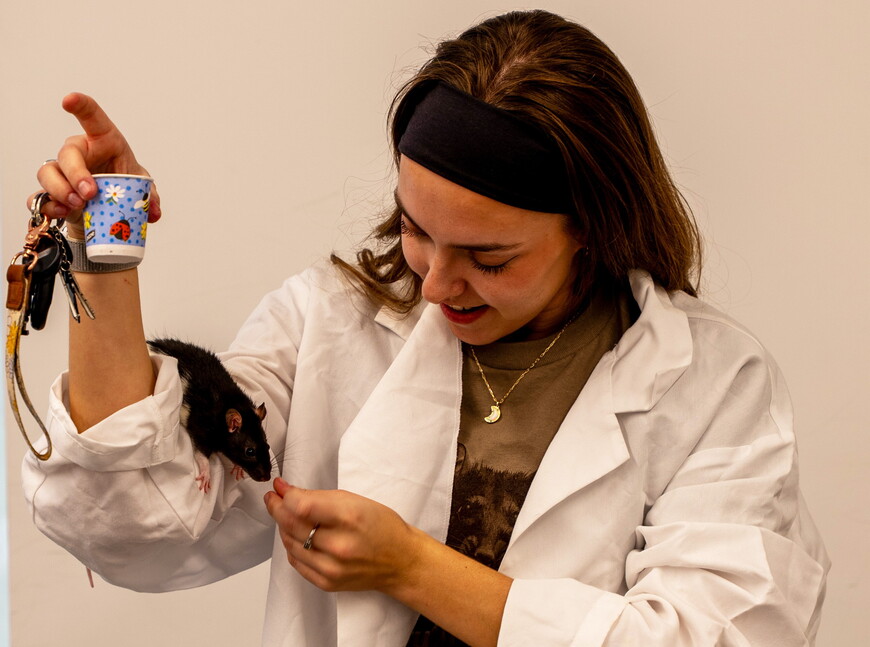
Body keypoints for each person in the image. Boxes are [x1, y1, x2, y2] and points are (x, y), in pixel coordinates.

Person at [22, 9, 829, 647]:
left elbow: (720, 633)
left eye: (488, 256)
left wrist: (412, 566)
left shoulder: (713, 384)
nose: (436, 283)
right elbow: (133, 517)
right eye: (415, 229)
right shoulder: (330, 327)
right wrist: (107, 248)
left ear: (592, 225)